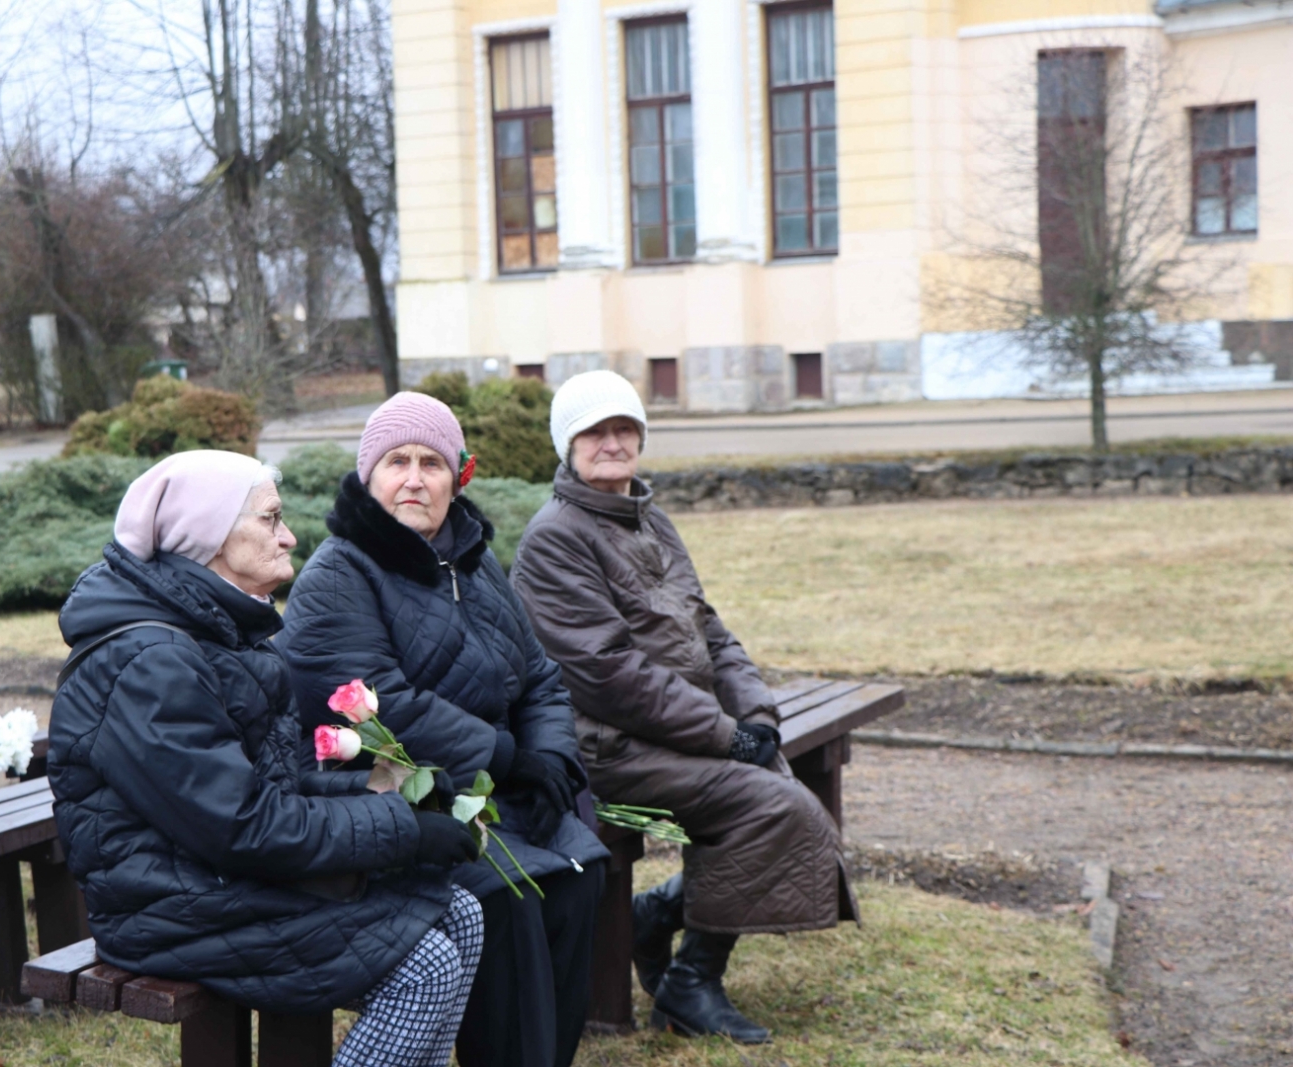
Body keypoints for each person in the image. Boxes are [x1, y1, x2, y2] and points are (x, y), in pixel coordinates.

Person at [50, 449, 483, 1067]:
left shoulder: (216, 630)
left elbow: (270, 790)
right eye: (271, 519)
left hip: (220, 877)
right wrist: (402, 831)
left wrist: (393, 794)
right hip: (171, 906)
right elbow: (244, 824)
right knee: (425, 964)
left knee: (461, 911)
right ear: (211, 538)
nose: (290, 535)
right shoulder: (152, 663)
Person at [509, 370, 857, 1046]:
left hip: (672, 731)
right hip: (605, 747)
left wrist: (756, 715)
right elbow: (610, 675)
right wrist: (725, 737)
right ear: (568, 445)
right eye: (594, 432)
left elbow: (711, 629)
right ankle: (689, 982)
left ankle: (656, 916)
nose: (612, 443)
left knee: (778, 780)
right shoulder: (557, 537)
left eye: (624, 428)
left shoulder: (649, 516)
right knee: (773, 802)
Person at [280, 392, 609, 1067]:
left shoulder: (477, 562)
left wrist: (550, 756)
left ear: (456, 475)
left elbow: (540, 675)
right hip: (388, 789)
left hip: (495, 785)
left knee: (581, 871)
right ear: (369, 474)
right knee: (506, 894)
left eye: (432, 462)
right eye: (397, 460)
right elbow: (381, 701)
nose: (414, 477)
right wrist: (507, 754)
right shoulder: (337, 576)